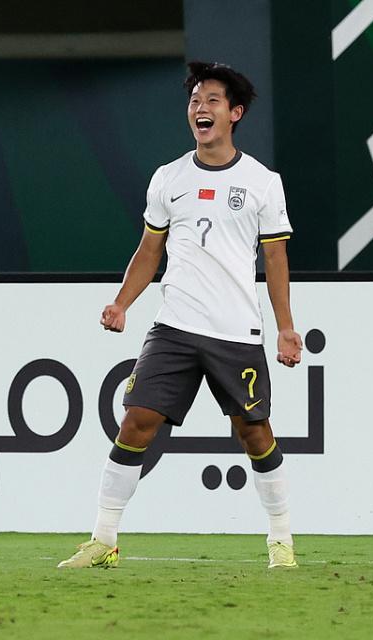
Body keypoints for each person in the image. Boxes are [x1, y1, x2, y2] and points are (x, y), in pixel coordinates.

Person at [57, 61, 302, 571]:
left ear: (234, 113)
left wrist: (285, 327)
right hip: (174, 327)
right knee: (136, 422)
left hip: (235, 331)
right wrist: (122, 303)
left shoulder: (262, 182)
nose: (200, 108)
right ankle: (103, 540)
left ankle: (281, 540)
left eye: (212, 100)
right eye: (194, 100)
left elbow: (275, 257)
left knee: (254, 432)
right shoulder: (169, 178)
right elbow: (150, 250)